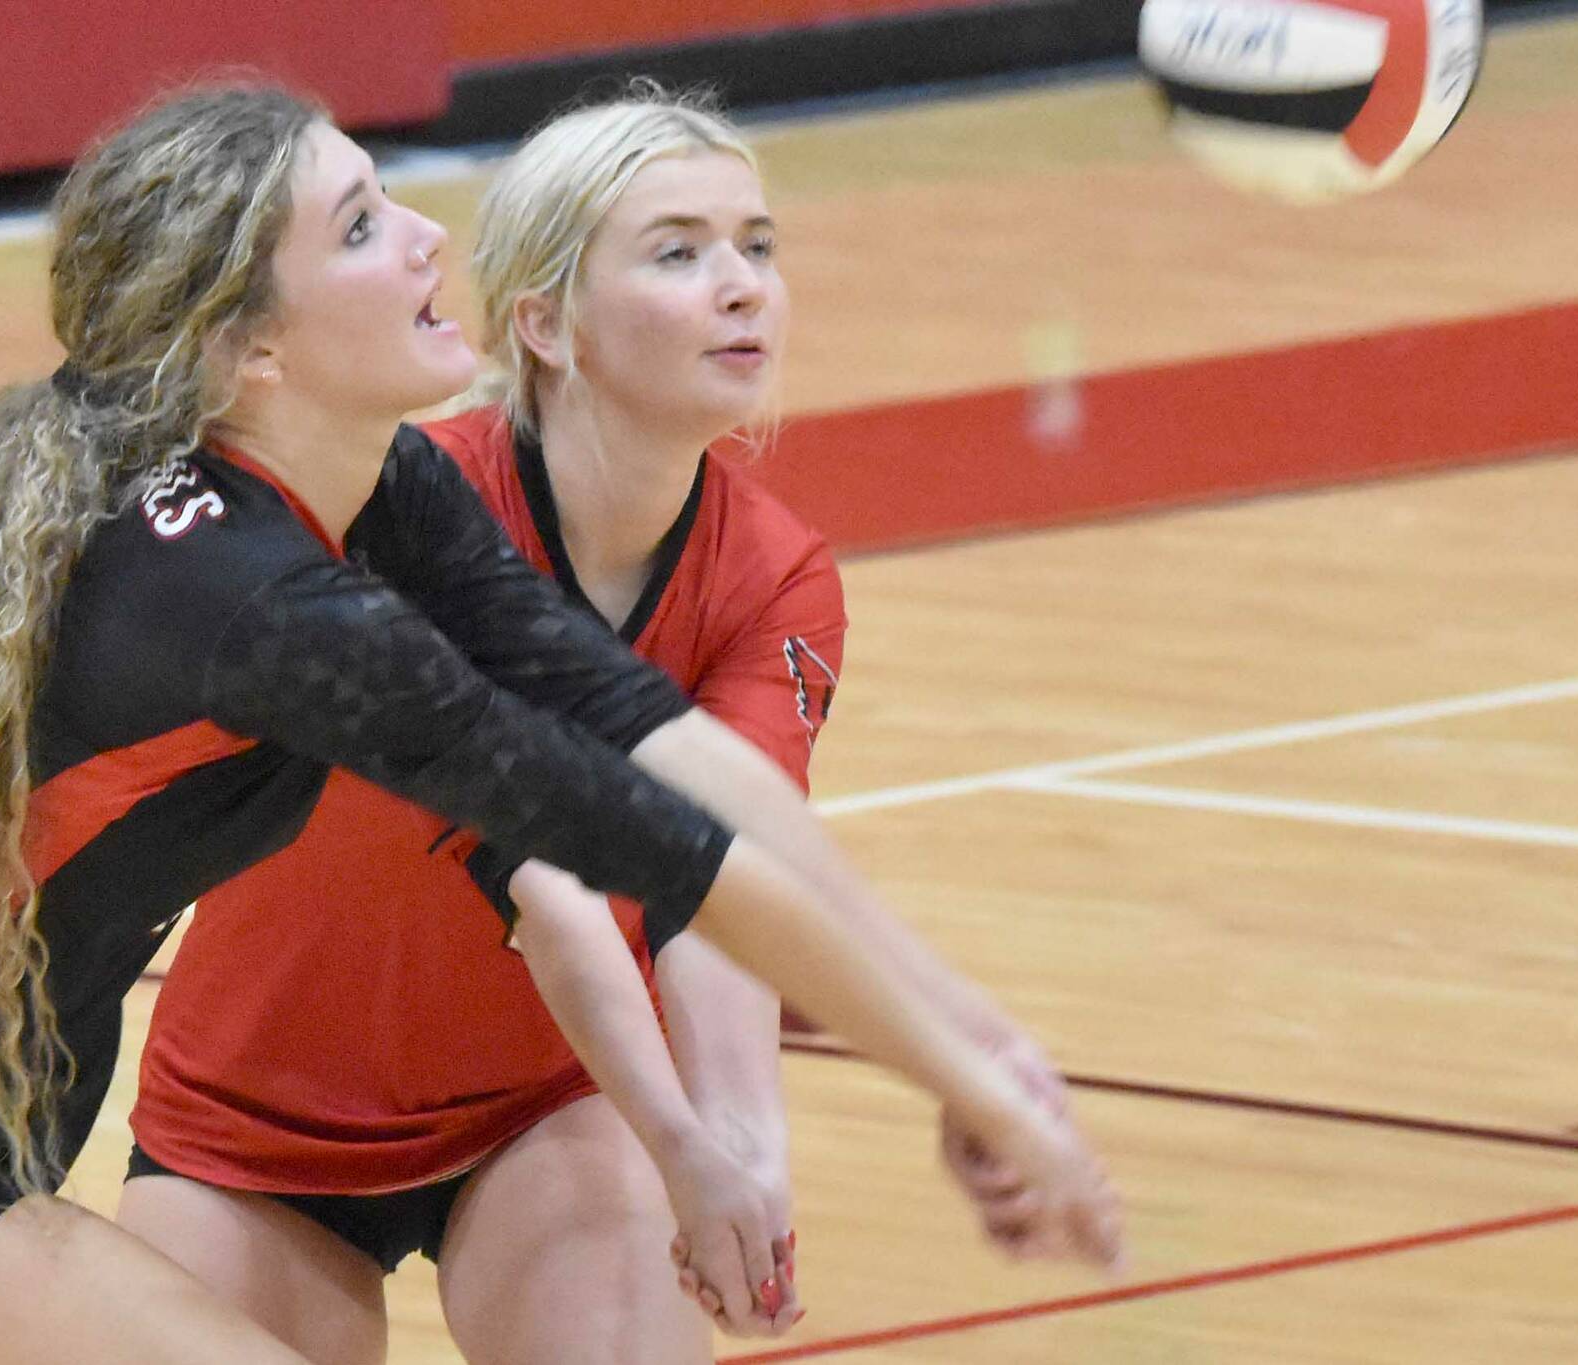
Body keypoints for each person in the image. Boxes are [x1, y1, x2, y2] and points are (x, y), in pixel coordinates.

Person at [0, 83, 1116, 1365]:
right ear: (254, 357)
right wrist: (964, 1077)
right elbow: (637, 839)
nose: (429, 239)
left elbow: (645, 733)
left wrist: (977, 1041)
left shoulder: (377, 492)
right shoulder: (258, 606)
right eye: (360, 228)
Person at [120, 89, 1108, 1365]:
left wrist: (748, 1142)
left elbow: (714, 876)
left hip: (540, 1108)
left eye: (756, 245)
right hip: (251, 1127)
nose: (740, 286)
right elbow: (549, 885)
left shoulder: (771, 575)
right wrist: (685, 1140)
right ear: (544, 323)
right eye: (677, 251)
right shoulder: (408, 505)